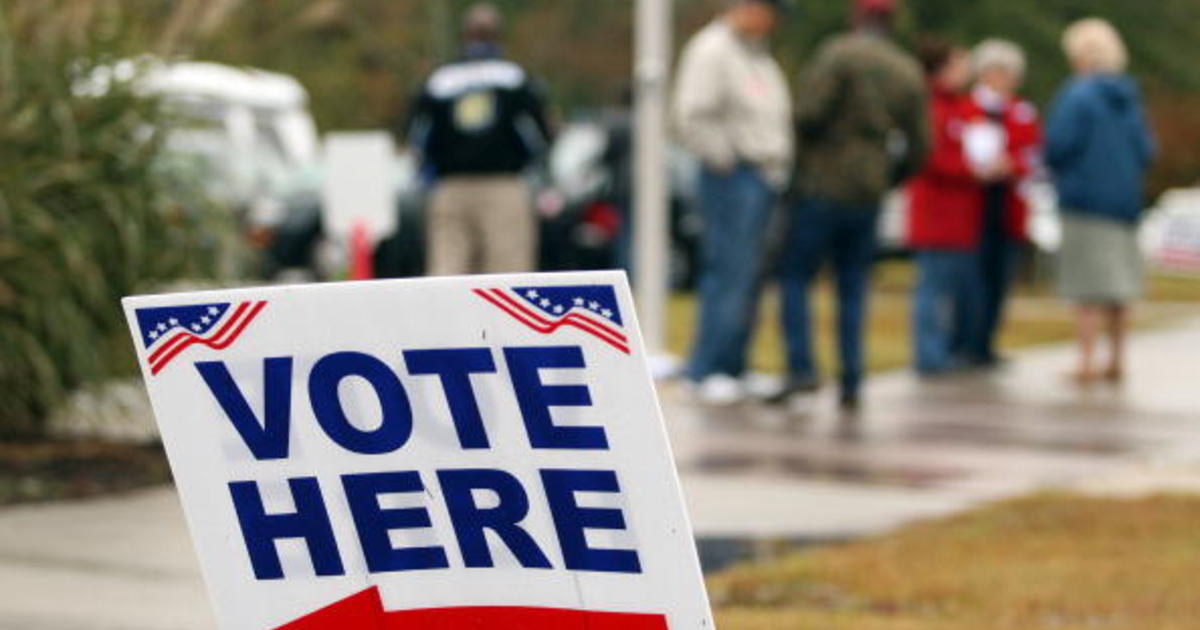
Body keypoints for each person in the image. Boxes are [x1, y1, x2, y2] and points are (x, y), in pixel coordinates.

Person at [774, 0, 928, 409]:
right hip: (868, 191)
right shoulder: (906, 70)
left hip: (821, 183)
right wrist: (886, 177)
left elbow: (807, 113)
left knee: (795, 276)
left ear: (857, 18)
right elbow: (921, 146)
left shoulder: (837, 55)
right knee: (853, 285)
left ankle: (802, 367)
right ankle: (852, 377)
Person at [673, 0, 793, 405]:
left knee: (751, 275)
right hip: (733, 177)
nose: (773, 21)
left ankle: (735, 364)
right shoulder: (713, 50)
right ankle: (708, 368)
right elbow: (691, 115)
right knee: (728, 270)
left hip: (762, 176)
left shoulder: (753, 53)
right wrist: (724, 160)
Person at [406, 2, 553, 276]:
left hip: (450, 187)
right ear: (498, 36)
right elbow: (540, 133)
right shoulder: (515, 78)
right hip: (503, 185)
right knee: (508, 276)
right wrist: (542, 174)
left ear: (464, 36)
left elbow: (416, 135)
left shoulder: (440, 81)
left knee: (448, 274)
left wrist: (425, 174)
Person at [1046, 18, 1154, 383]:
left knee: (1086, 287)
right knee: (1120, 287)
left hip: (1086, 199)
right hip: (1124, 201)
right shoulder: (1129, 98)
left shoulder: (1078, 95)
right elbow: (1146, 150)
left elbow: (1058, 146)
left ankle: (1087, 361)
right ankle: (1117, 358)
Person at [964, 39, 1042, 366]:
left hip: (1006, 205)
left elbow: (1033, 154)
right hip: (972, 206)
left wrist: (1012, 165)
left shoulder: (1021, 112)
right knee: (971, 279)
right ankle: (965, 342)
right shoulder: (968, 108)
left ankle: (986, 343)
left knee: (999, 278)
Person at [906, 40, 982, 376]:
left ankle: (945, 349)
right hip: (936, 213)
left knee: (950, 289)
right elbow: (932, 158)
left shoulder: (959, 108)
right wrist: (973, 169)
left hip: (960, 214)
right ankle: (929, 353)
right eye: (960, 64)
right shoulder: (930, 106)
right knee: (932, 289)